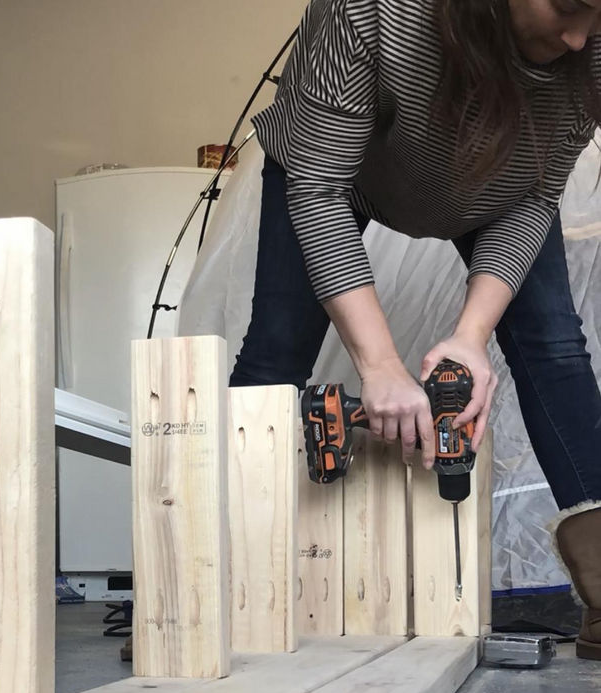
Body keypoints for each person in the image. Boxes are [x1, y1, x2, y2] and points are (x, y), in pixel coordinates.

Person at [232, 0, 601, 659]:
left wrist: (470, 338)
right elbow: (316, 188)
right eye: (568, 8)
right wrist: (378, 365)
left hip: (500, 186)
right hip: (336, 174)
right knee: (274, 356)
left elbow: (537, 196)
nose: (579, 38)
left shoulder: (593, 41)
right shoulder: (370, 9)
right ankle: (225, 591)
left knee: (555, 350)